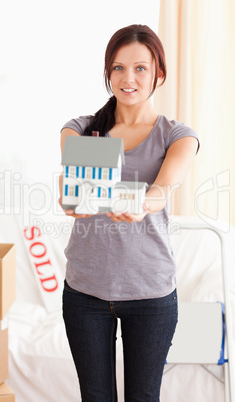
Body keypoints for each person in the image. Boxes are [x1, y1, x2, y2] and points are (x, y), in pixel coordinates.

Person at [59, 24, 199, 402]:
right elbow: (70, 187)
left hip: (150, 292)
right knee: (96, 396)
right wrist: (69, 196)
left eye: (140, 68)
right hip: (85, 291)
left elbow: (163, 189)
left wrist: (141, 205)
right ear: (108, 73)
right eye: (118, 68)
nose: (128, 78)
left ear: (159, 74)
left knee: (143, 397)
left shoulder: (178, 136)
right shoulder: (82, 129)